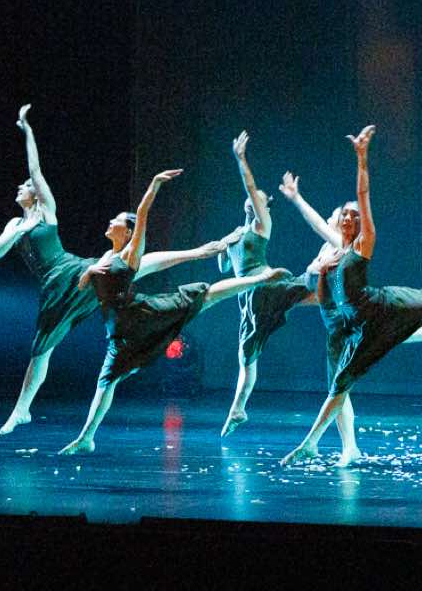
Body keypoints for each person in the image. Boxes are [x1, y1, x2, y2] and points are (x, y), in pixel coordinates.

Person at [277, 127, 422, 466]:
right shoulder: (328, 253)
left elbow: (348, 206)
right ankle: (344, 447)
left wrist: (307, 193)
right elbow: (320, 289)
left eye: (350, 215)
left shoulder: (348, 245)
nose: (344, 217)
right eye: (343, 214)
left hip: (370, 315)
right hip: (344, 328)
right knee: (339, 388)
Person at [58, 167, 285, 454]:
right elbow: (84, 286)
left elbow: (143, 214)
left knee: (203, 296)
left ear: (127, 232)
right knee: (106, 381)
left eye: (116, 220)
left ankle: (259, 279)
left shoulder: (131, 253)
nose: (110, 221)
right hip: (117, 329)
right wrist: (89, 271)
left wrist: (154, 184)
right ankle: (86, 438)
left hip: (140, 315)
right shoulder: (105, 256)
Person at [0, 105, 102, 434]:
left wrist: (27, 131)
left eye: (24, 186)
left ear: (35, 194)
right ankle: (21, 411)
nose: (20, 188)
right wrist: (22, 229)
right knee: (41, 349)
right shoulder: (16, 224)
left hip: (71, 269)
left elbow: (35, 168)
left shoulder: (47, 211)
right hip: (52, 288)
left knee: (119, 267)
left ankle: (189, 255)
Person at [218, 132, 317, 435]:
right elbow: (224, 267)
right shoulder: (237, 233)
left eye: (259, 197)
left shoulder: (263, 225)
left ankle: (338, 286)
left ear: (264, 206)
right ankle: (238, 409)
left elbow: (249, 185)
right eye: (253, 196)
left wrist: (241, 159)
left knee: (306, 288)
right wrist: (224, 245)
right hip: (247, 296)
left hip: (267, 285)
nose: (254, 197)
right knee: (246, 355)